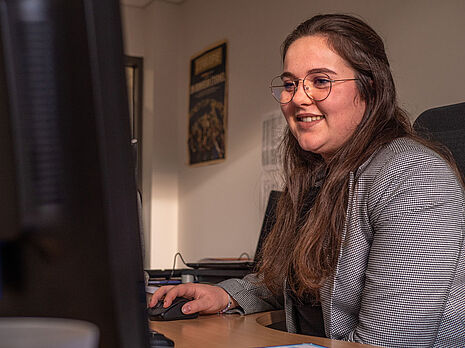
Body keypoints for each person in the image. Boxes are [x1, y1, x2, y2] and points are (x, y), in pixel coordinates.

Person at [149, 14, 465, 347]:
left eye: (320, 81)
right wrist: (225, 296)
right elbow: (302, 280)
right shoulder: (320, 175)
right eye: (290, 84)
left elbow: (388, 341)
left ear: (370, 88)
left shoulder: (413, 176)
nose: (299, 98)